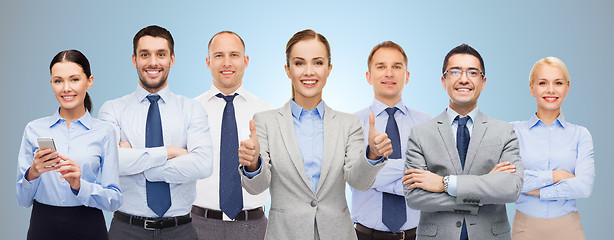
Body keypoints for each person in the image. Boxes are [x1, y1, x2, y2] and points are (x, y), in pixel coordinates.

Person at [238, 29, 391, 240]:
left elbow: (358, 182)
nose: (309, 71)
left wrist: (372, 155)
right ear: (288, 70)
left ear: (329, 69)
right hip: (285, 234)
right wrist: (253, 164)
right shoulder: (266, 122)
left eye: (318, 63)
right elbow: (257, 187)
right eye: (299, 63)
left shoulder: (348, 124)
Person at [98, 25, 213, 239]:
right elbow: (109, 163)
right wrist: (172, 152)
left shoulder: (192, 109)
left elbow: (203, 165)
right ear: (134, 60)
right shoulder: (112, 109)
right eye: (145, 55)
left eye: (161, 54)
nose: (153, 62)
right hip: (126, 230)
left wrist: (141, 166)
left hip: (181, 230)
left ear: (172, 59)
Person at [402, 44, 523, 240]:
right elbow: (415, 197)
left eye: (472, 72)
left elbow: (510, 189)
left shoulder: (504, 132)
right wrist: (484, 189)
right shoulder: (420, 134)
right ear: (444, 81)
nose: (464, 79)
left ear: (483, 82)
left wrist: (444, 183)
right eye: (455, 71)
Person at [16, 49, 122, 240]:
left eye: (74, 79)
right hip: (43, 226)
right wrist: (33, 172)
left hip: (89, 225)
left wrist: (80, 185)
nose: (66, 88)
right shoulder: (34, 129)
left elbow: (114, 200)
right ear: (51, 84)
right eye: (58, 81)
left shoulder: (104, 132)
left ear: (89, 81)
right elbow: (23, 200)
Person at [192, 31, 273, 240]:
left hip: (253, 227)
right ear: (208, 62)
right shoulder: (189, 112)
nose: (226, 63)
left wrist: (255, 165)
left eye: (234, 55)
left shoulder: (268, 114)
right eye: (219, 56)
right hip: (199, 226)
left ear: (245, 61)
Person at [352, 41, 431, 240]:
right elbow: (356, 179)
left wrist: (374, 170)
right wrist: (414, 168)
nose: (389, 73)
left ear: (407, 76)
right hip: (364, 236)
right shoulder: (351, 124)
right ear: (369, 76)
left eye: (397, 67)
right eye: (381, 67)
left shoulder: (428, 124)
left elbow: (433, 179)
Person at [511, 57, 594, 240]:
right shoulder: (514, 132)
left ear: (567, 87)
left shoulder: (581, 135)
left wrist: (537, 191)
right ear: (532, 88)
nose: (551, 90)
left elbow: (584, 187)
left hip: (569, 228)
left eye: (558, 83)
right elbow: (507, 181)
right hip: (525, 228)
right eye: (542, 83)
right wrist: (556, 176)